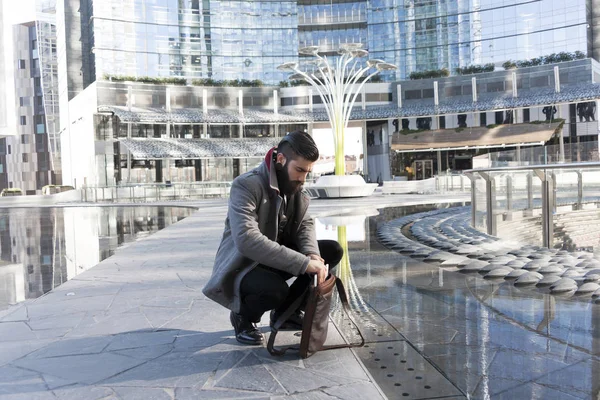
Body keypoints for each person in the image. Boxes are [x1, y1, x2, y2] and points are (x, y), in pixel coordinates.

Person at [203, 131, 343, 345]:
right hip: (244, 265)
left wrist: (312, 255)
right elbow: (247, 238)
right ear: (280, 159)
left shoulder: (295, 187)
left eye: (307, 172)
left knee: (331, 251)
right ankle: (243, 317)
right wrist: (304, 263)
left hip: (275, 258)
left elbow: (305, 225)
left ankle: (286, 314)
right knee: (275, 291)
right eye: (299, 170)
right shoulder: (246, 185)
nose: (303, 178)